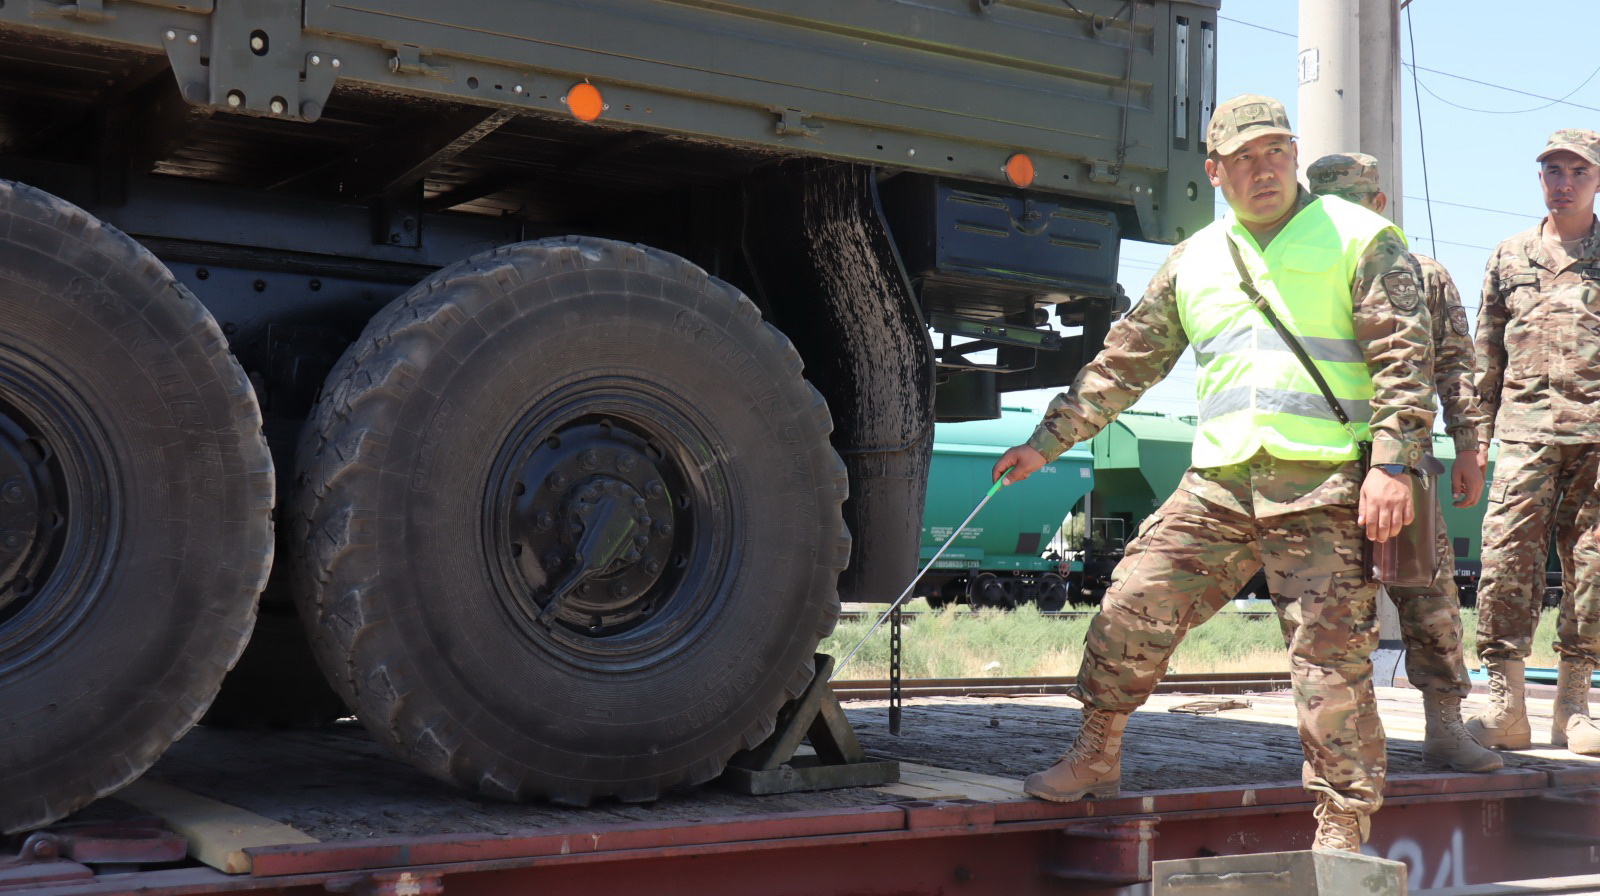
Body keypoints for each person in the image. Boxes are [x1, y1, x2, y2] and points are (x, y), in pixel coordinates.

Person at [992, 94, 1436, 853]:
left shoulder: (1362, 238)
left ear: (1294, 156)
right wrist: (1048, 443)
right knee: (1130, 607)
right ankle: (1097, 756)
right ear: (1215, 172)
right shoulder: (1195, 258)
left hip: (1326, 485)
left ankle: (1341, 825)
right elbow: (1126, 362)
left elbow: (1405, 362)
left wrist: (1392, 465)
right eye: (1244, 160)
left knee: (1330, 667)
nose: (1263, 171)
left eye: (1275, 153)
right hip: (1221, 485)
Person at [1305, 152, 1501, 773]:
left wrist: (1469, 448)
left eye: (1353, 202)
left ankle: (1444, 724)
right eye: (1326, 204)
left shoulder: (1424, 275)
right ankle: (1340, 739)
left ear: (1379, 203)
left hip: (1403, 463)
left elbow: (1454, 367)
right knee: (1331, 609)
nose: (1340, 216)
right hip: (1323, 464)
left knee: (1429, 595)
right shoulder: (1303, 272)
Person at [1467, 129, 1600, 756]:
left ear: (1596, 180)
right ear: (1540, 178)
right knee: (1503, 568)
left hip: (1596, 442)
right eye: (1553, 170)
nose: (1564, 182)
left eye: (1578, 171)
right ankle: (1506, 706)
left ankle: (1575, 709)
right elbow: (1484, 355)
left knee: (1593, 572)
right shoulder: (1509, 256)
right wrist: (1471, 443)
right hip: (1523, 438)